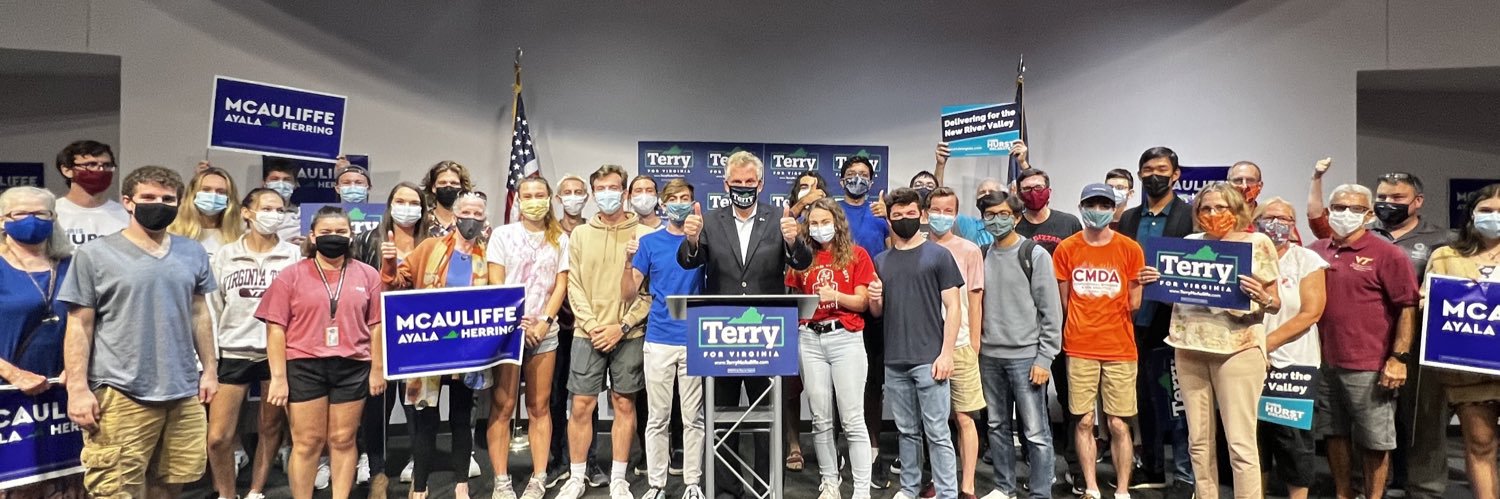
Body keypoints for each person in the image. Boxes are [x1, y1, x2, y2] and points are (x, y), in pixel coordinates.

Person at [60, 166, 218, 499]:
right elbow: (79, 324)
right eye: (148, 197)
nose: (158, 203)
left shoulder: (193, 252)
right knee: (116, 489)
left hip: (182, 390)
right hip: (121, 391)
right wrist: (77, 388)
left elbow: (199, 314)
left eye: (167, 198)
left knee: (173, 484)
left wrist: (210, 371)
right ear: (128, 202)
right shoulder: (94, 255)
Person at [679, 151, 812, 499]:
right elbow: (690, 262)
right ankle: (726, 488)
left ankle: (767, 488)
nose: (742, 188)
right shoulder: (708, 219)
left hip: (767, 333)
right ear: (725, 184)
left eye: (749, 183)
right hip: (719, 333)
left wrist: (793, 241)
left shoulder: (778, 219)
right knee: (722, 417)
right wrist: (691, 241)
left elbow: (802, 262)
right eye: (736, 183)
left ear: (761, 184)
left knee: (769, 417)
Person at [1139, 182, 1280, 499]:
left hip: (1238, 349)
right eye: (1206, 208)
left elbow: (1275, 302)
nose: (1213, 214)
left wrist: (1262, 298)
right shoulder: (1189, 243)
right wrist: (1156, 283)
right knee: (1198, 441)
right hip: (1189, 347)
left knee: (1240, 441)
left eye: (1221, 207)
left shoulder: (1256, 243)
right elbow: (1178, 296)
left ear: (1236, 210)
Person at [258, 206, 386, 499]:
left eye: (341, 232)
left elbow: (376, 326)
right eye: (326, 232)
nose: (334, 237)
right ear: (313, 237)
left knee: (343, 439)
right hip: (304, 365)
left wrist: (377, 369)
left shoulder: (368, 275)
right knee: (308, 442)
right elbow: (275, 328)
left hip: (353, 365)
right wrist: (278, 377)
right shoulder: (290, 276)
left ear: (351, 236)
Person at [1310, 183, 1420, 499]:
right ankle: (1344, 492)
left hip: (1370, 364)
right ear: (1328, 212)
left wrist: (1398, 358)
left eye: (1355, 209)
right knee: (1333, 433)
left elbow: (1406, 307)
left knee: (1375, 439)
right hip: (1324, 361)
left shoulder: (1389, 254)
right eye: (1339, 207)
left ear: (1369, 214)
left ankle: (1373, 496)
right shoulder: (1316, 251)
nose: (1346, 214)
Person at [380, 192, 492, 499]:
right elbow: (399, 282)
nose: (471, 218)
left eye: (477, 213)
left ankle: (461, 483)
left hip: (467, 352)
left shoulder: (489, 254)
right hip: (428, 351)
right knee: (425, 418)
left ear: (484, 219)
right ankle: (420, 485)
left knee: (460, 418)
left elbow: (499, 298)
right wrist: (390, 264)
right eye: (465, 211)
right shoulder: (430, 248)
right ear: (455, 215)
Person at [557, 164, 654, 499]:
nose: (607, 194)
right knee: (581, 405)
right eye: (600, 188)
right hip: (589, 333)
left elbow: (650, 293)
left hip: (629, 334)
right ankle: (577, 475)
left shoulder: (644, 235)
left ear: (625, 192)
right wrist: (594, 325)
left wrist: (622, 325)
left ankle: (618, 477)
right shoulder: (580, 234)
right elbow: (574, 286)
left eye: (614, 187)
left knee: (624, 404)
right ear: (593, 193)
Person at [869, 187, 963, 499]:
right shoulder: (881, 261)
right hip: (895, 361)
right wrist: (875, 299)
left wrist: (946, 353)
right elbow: (878, 312)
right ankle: (909, 489)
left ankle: (947, 493)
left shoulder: (939, 255)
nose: (905, 219)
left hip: (929, 359)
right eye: (897, 215)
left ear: (921, 215)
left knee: (937, 433)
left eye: (911, 214)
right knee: (907, 432)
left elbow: (954, 306)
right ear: (890, 218)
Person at [204, 187, 298, 499]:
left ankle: (256, 490)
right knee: (218, 436)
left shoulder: (293, 255)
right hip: (231, 351)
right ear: (247, 212)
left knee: (270, 428)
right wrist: (209, 359)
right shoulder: (225, 254)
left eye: (279, 210)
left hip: (276, 356)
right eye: (266, 208)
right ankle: (227, 494)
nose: (273, 215)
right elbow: (212, 306)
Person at [1053, 183, 1145, 499]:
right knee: (1083, 421)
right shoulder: (1067, 248)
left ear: (1113, 209)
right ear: (1081, 207)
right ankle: (1091, 486)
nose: (1098, 210)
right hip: (1079, 347)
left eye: (1104, 205)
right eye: (1092, 204)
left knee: (1119, 423)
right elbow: (1064, 301)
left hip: (1120, 348)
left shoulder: (1130, 249)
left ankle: (1121, 490)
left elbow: (1134, 303)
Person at [782, 197, 875, 499]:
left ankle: (861, 490)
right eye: (814, 223)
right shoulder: (802, 258)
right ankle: (830, 483)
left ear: (837, 223)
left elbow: (862, 302)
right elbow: (793, 298)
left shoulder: (857, 255)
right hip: (809, 339)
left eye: (826, 222)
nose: (821, 228)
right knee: (820, 418)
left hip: (845, 337)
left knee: (852, 419)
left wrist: (835, 296)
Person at [1117, 146, 1196, 495]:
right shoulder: (1131, 219)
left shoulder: (1190, 216)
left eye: (1161, 168)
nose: (1154, 175)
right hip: (1135, 322)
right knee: (1143, 399)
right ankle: (1153, 466)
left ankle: (1184, 474)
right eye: (1147, 169)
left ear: (1176, 174)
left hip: (1175, 321)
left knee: (1177, 400)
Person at [485, 177, 570, 499]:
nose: (534, 200)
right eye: (528, 195)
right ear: (517, 200)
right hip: (508, 332)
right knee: (503, 406)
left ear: (549, 199)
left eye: (540, 195)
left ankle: (538, 476)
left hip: (544, 333)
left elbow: (560, 285)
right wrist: (515, 320)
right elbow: (496, 283)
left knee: (539, 406)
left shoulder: (560, 238)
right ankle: (501, 480)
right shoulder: (502, 235)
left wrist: (545, 321)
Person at [626, 179, 709, 499]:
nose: (679, 203)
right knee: (657, 418)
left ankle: (692, 482)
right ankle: (657, 484)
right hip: (659, 338)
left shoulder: (704, 243)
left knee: (693, 418)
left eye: (685, 198)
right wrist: (625, 263)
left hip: (695, 339)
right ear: (663, 203)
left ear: (693, 203)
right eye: (672, 198)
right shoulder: (649, 243)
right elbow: (628, 293)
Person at [976, 190, 1062, 499]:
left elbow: (1051, 311)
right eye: (989, 215)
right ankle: (1004, 487)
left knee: (1036, 432)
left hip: (1026, 357)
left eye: (1003, 215)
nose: (996, 220)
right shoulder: (981, 254)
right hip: (988, 357)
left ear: (1015, 218)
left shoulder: (1033, 254)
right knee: (997, 427)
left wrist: (1045, 358)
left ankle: (1040, 491)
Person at [0, 186, 85, 499]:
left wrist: (76, 370)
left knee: (67, 481)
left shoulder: (73, 265)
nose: (31, 220)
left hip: (62, 393)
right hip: (7, 395)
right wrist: (13, 374)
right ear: (2, 220)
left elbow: (91, 324)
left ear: (54, 218)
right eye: (20, 213)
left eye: (41, 213)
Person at [350, 181, 432, 496]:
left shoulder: (432, 243)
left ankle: (419, 475)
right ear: (389, 204)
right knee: (377, 408)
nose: (407, 207)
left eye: (414, 202)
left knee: (417, 406)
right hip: (377, 335)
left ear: (422, 209)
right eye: (400, 200)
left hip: (418, 337)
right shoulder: (366, 241)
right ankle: (378, 473)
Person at [1425, 183, 1500, 499]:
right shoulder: (1446, 255)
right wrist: (1450, 295)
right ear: (1471, 214)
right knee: (1480, 443)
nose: (1494, 216)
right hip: (1469, 371)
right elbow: (1428, 303)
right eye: (1487, 210)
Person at [1253, 197, 1329, 499]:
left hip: (1294, 365)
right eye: (1270, 217)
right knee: (1252, 438)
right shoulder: (1245, 253)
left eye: (1285, 218)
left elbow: (1311, 312)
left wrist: (1266, 345)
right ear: (1256, 221)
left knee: (1293, 441)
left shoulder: (1307, 259)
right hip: (1247, 361)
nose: (1277, 223)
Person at [834, 156, 894, 487]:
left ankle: (872, 452)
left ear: (872, 182)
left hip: (872, 307)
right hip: (836, 307)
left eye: (864, 175)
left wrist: (889, 222)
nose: (857, 179)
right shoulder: (831, 212)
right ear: (841, 180)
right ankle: (842, 452)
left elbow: (895, 253)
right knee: (836, 386)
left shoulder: (879, 214)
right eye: (851, 174)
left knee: (872, 384)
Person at [925, 187, 988, 499]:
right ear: (925, 213)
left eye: (947, 210)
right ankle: (941, 480)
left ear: (956, 213)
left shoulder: (969, 250)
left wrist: (974, 345)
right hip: (926, 346)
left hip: (962, 345)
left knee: (964, 418)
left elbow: (975, 301)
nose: (941, 216)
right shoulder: (916, 248)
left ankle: (967, 486)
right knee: (935, 423)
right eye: (935, 209)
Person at [546, 173, 606, 489]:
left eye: (578, 192)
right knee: (554, 398)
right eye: (566, 192)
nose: (573, 196)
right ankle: (557, 460)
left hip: (586, 326)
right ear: (558, 199)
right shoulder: (549, 232)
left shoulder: (591, 230)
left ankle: (589, 460)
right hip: (555, 327)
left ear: (587, 197)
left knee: (586, 398)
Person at [782, 169, 830, 472]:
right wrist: (802, 206)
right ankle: (793, 444)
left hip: (826, 316)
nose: (810, 192)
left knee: (825, 389)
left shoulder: (828, 225)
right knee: (790, 386)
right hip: (790, 311)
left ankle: (828, 447)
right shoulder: (789, 219)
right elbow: (784, 237)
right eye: (803, 188)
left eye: (815, 188)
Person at [52, 140, 128, 248]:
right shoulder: (52, 213)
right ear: (67, 170)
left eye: (107, 165)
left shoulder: (126, 215)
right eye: (91, 164)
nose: (101, 170)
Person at [168, 166, 244, 259]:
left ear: (229, 198)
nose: (213, 195)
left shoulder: (239, 238)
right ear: (193, 193)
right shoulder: (171, 232)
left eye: (221, 192)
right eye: (206, 190)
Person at [1015, 169, 1083, 254]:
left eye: (1038, 187)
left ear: (1048, 191)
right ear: (1019, 195)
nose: (1033, 193)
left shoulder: (1070, 222)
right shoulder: (1013, 225)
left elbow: (1080, 257)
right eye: (1027, 189)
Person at [421, 160, 474, 238]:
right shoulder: (422, 222)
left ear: (462, 188)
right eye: (442, 183)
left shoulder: (474, 222)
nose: (448, 187)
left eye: (454, 183)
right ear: (433, 188)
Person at [262, 158, 305, 245]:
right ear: (264, 183)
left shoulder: (302, 215)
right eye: (275, 179)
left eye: (287, 180)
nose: (281, 184)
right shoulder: (253, 214)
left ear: (296, 184)